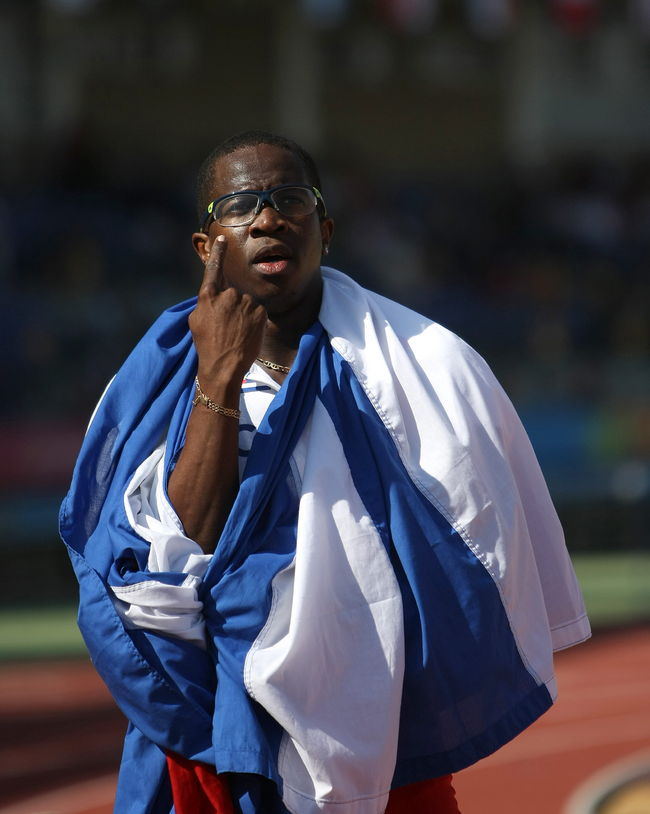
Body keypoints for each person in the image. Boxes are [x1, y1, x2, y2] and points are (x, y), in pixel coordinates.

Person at [60, 131, 591, 814]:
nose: (268, 218)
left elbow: (472, 534)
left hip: (379, 715)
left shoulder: (427, 362)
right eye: (240, 204)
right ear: (206, 245)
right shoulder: (159, 383)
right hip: (210, 720)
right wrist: (219, 373)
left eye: (290, 199)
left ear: (325, 230)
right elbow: (177, 544)